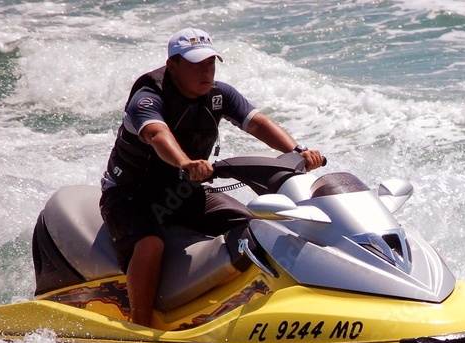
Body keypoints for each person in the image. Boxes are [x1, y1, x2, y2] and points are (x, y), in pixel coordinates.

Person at [99, 28, 324, 327]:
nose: (206, 71)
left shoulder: (219, 94)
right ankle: (141, 326)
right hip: (130, 194)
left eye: (211, 63)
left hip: (181, 190)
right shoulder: (147, 98)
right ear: (173, 65)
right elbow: (157, 134)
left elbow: (257, 123)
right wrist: (186, 162)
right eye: (196, 64)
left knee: (254, 228)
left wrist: (298, 150)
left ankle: (254, 305)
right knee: (151, 244)